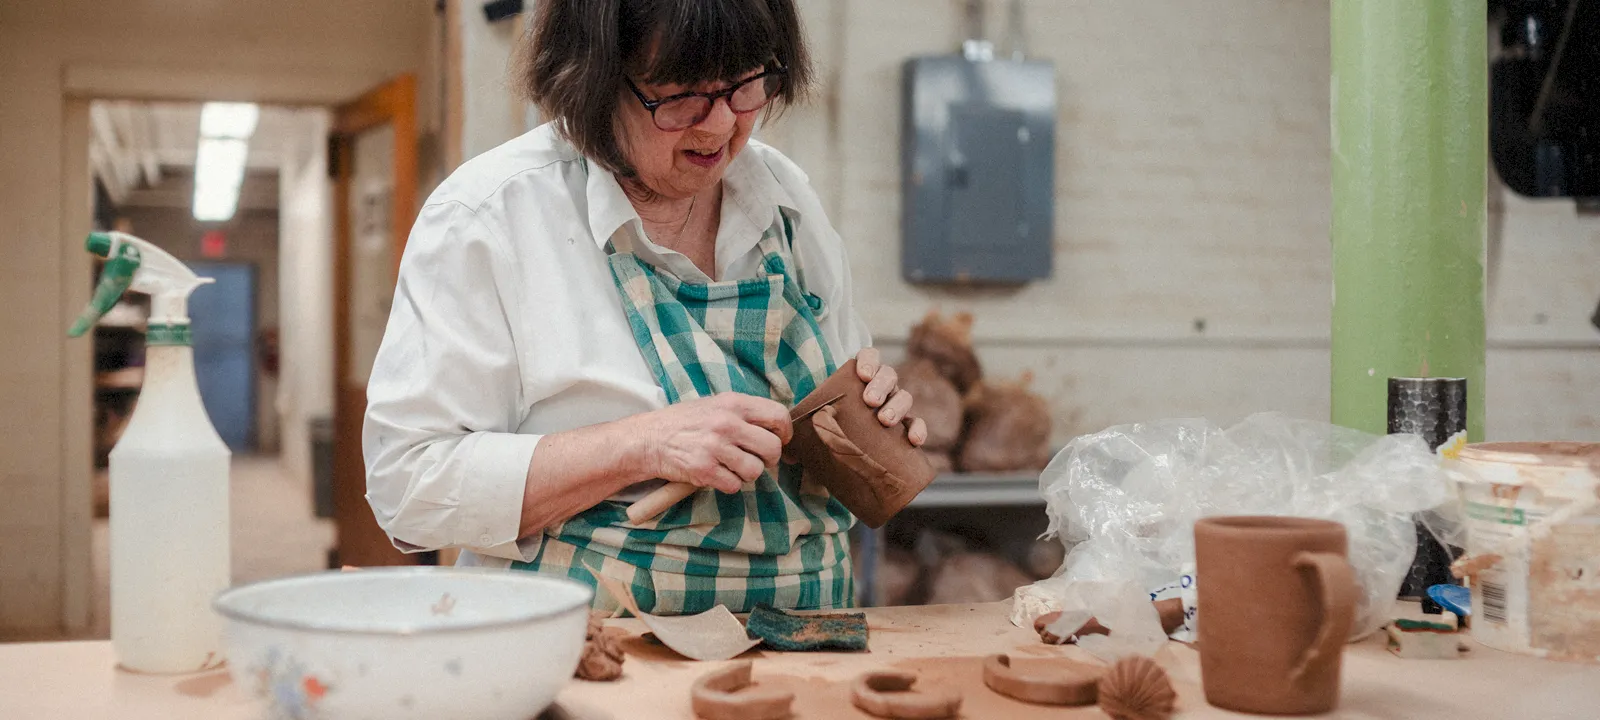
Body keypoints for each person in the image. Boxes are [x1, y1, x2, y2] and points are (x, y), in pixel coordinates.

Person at [363, 0, 926, 615]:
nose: (718, 128)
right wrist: (639, 445)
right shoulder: (491, 216)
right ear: (593, 82)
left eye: (745, 86)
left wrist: (869, 410)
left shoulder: (784, 197)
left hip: (810, 633)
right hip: (590, 648)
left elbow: (835, 395)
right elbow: (408, 484)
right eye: (681, 95)